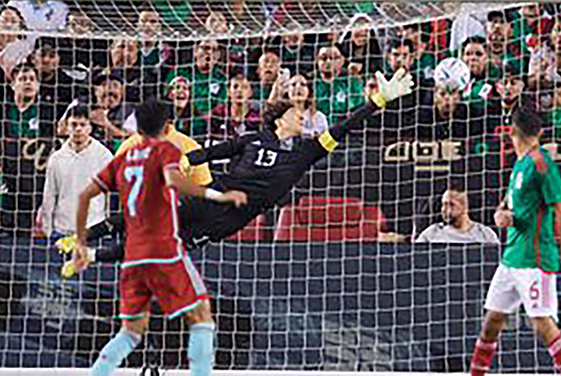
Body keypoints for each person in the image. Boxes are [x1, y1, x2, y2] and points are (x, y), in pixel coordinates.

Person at [73, 70, 413, 264]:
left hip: (235, 218)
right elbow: (209, 153)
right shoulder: (253, 139)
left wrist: (376, 102)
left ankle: (92, 256)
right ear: (280, 118)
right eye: (295, 112)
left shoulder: (305, 153)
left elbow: (342, 128)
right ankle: (83, 237)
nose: (302, 115)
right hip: (216, 195)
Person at [66, 98, 247, 376]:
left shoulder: (126, 154)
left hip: (134, 251)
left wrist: (83, 237)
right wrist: (221, 195)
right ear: (167, 125)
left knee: (130, 333)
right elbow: (183, 187)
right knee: (201, 319)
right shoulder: (168, 151)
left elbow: (86, 195)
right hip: (165, 249)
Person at [470, 106, 561, 376]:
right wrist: (501, 215)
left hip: (535, 259)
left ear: (511, 131)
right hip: (511, 258)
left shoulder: (541, 163)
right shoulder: (520, 164)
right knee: (491, 323)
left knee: (542, 325)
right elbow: (507, 204)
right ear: (541, 132)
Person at [37, 104, 114, 237]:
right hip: (62, 230)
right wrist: (47, 229)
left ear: (90, 128)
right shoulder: (56, 158)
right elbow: (49, 196)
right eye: (73, 125)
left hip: (94, 230)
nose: (78, 129)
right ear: (66, 127)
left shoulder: (104, 156)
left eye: (82, 125)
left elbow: (110, 195)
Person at [414, 186, 500, 244]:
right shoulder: (431, 233)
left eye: (451, 204)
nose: (444, 209)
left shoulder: (485, 234)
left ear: (465, 207)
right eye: (443, 204)